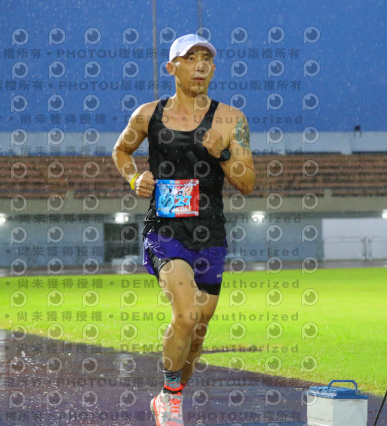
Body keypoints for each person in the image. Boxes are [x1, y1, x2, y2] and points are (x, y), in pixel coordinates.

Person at [112, 33, 256, 425]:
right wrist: (134, 178)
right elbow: (121, 150)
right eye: (190, 58)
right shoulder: (148, 115)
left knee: (197, 332)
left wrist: (222, 153)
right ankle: (172, 400)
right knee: (188, 314)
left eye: (206, 58)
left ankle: (168, 396)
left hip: (210, 233)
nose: (200, 65)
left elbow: (247, 183)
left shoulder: (231, 119)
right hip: (166, 228)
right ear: (171, 67)